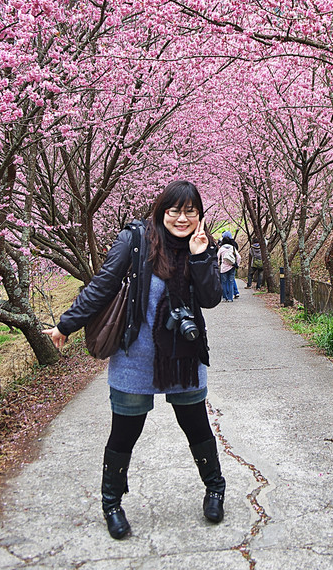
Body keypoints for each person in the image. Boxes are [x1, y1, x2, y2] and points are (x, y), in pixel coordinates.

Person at [43, 180, 225, 540]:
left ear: (199, 215)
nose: (182, 217)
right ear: (161, 210)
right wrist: (66, 325)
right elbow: (102, 285)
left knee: (197, 427)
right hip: (134, 358)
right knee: (125, 433)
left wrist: (201, 255)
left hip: (184, 358)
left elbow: (211, 299)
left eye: (191, 210)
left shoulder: (201, 246)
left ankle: (215, 489)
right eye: (174, 209)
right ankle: (111, 503)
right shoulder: (136, 240)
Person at [217, 234, 241, 302]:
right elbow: (239, 257)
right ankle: (230, 298)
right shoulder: (232, 248)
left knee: (223, 283)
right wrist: (237, 264)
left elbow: (217, 258)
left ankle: (225, 297)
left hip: (223, 268)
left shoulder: (221, 249)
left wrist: (218, 265)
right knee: (231, 283)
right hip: (232, 267)